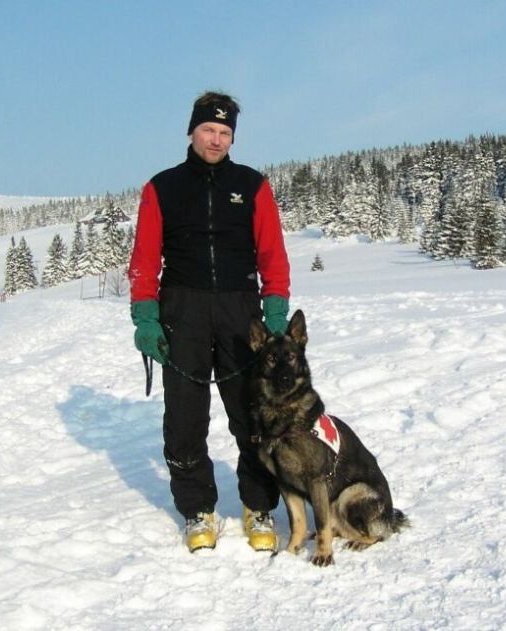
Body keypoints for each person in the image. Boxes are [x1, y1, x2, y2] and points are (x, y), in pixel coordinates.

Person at [128, 91, 291, 553]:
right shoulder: (162, 187)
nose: (216, 139)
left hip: (241, 312)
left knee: (252, 414)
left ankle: (259, 505)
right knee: (184, 417)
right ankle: (197, 509)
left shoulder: (253, 185)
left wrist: (274, 310)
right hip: (183, 309)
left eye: (224, 132)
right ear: (192, 131)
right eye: (208, 130)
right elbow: (144, 260)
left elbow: (272, 256)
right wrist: (146, 316)